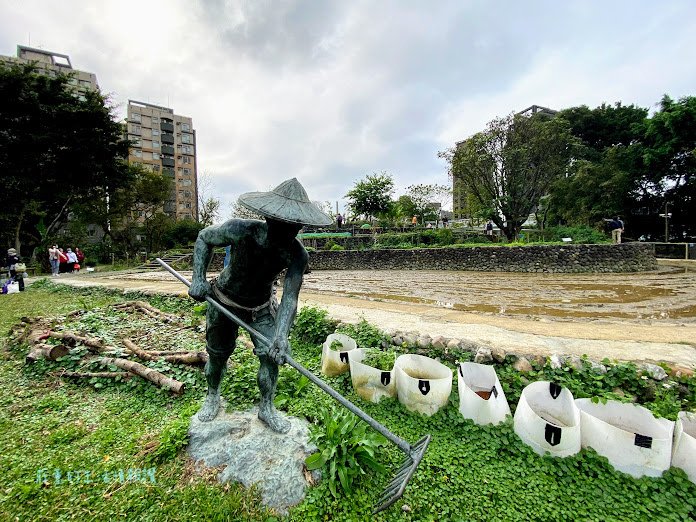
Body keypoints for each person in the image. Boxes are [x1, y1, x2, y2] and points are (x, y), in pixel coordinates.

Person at [188, 178, 332, 433]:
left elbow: (290, 297)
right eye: (284, 226)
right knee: (218, 355)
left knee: (271, 356)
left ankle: (266, 407)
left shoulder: (297, 254)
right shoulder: (241, 230)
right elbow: (203, 238)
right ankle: (212, 395)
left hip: (261, 308)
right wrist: (198, 279)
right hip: (224, 299)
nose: (290, 233)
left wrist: (281, 335)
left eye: (295, 227)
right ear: (270, 219)